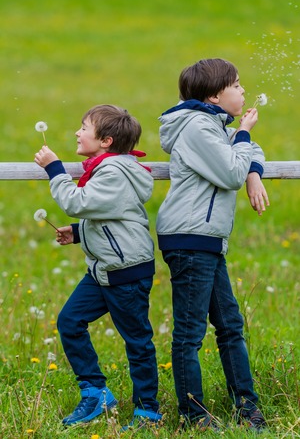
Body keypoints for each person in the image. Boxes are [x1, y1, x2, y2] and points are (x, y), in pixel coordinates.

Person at [156, 58, 269, 432]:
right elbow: (233, 170)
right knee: (190, 334)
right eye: (236, 85)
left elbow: (249, 158)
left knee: (230, 326)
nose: (242, 91)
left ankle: (247, 408)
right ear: (215, 95)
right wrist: (245, 138)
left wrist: (254, 170)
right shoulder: (198, 129)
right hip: (190, 239)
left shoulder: (213, 126)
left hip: (206, 240)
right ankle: (193, 416)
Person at [34, 104, 162, 428]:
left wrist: (55, 170)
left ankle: (147, 410)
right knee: (70, 321)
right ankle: (96, 393)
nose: (77, 132)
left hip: (125, 272)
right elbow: (112, 215)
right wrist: (78, 232)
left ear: (105, 141)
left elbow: (77, 203)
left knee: (136, 341)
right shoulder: (106, 167)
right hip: (104, 269)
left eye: (84, 127)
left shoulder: (115, 172)